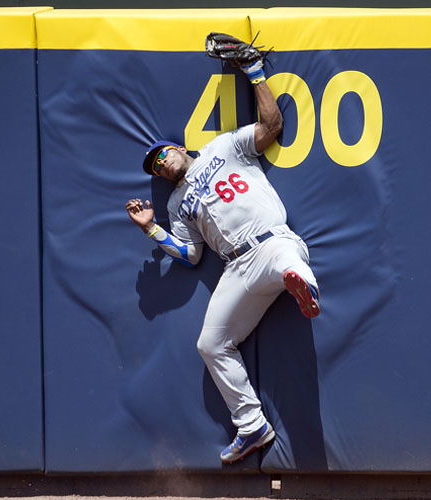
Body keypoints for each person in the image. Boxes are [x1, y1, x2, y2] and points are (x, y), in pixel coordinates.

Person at [126, 53, 320, 464]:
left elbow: (273, 127)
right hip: (237, 267)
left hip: (269, 240)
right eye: (155, 167)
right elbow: (190, 256)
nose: (161, 164)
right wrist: (152, 229)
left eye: (163, 155)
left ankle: (301, 282)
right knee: (211, 344)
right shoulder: (177, 204)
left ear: (179, 147)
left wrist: (254, 72)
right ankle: (252, 425)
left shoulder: (223, 146)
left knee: (286, 260)